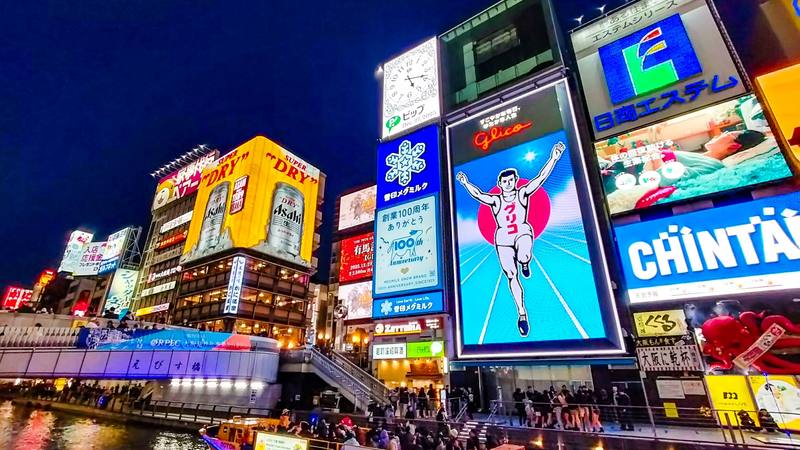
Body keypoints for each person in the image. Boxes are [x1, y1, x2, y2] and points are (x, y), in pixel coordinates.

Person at [456, 141, 565, 336]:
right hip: (503, 239)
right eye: (505, 181)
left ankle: (525, 262)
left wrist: (554, 158)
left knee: (523, 255)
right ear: (500, 184)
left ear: (515, 181)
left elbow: (541, 177)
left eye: (511, 180)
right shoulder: (496, 200)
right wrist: (465, 183)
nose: (508, 184)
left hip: (522, 232)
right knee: (511, 275)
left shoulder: (522, 193)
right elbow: (478, 194)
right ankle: (522, 313)